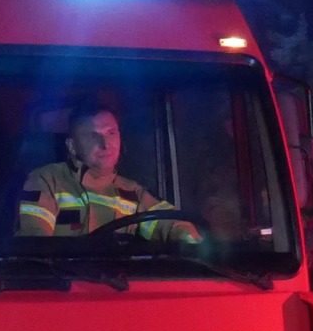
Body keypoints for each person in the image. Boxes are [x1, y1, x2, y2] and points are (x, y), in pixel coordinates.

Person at [16, 103, 197, 241]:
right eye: (93, 136)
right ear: (72, 146)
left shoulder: (132, 191)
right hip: (64, 278)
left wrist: (188, 239)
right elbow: (35, 243)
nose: (105, 144)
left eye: (111, 133)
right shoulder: (47, 180)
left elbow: (168, 222)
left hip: (121, 279)